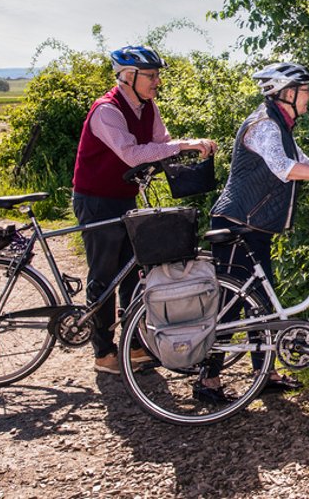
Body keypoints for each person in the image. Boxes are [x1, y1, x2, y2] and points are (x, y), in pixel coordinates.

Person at [198, 62, 309, 403]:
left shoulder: (279, 125)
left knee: (262, 303)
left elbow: (304, 160)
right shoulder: (264, 127)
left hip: (253, 226)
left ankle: (265, 373)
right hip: (235, 224)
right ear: (286, 93)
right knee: (229, 305)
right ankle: (207, 381)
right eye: (305, 91)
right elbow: (285, 168)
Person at [72, 45, 218, 374]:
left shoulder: (148, 106)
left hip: (124, 197)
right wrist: (182, 145)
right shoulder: (106, 110)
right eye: (150, 76)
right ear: (128, 76)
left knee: (133, 272)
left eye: (157, 76)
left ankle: (134, 345)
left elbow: (160, 142)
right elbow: (133, 154)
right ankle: (103, 352)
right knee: (104, 273)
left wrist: (191, 151)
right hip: (96, 199)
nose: (157, 82)